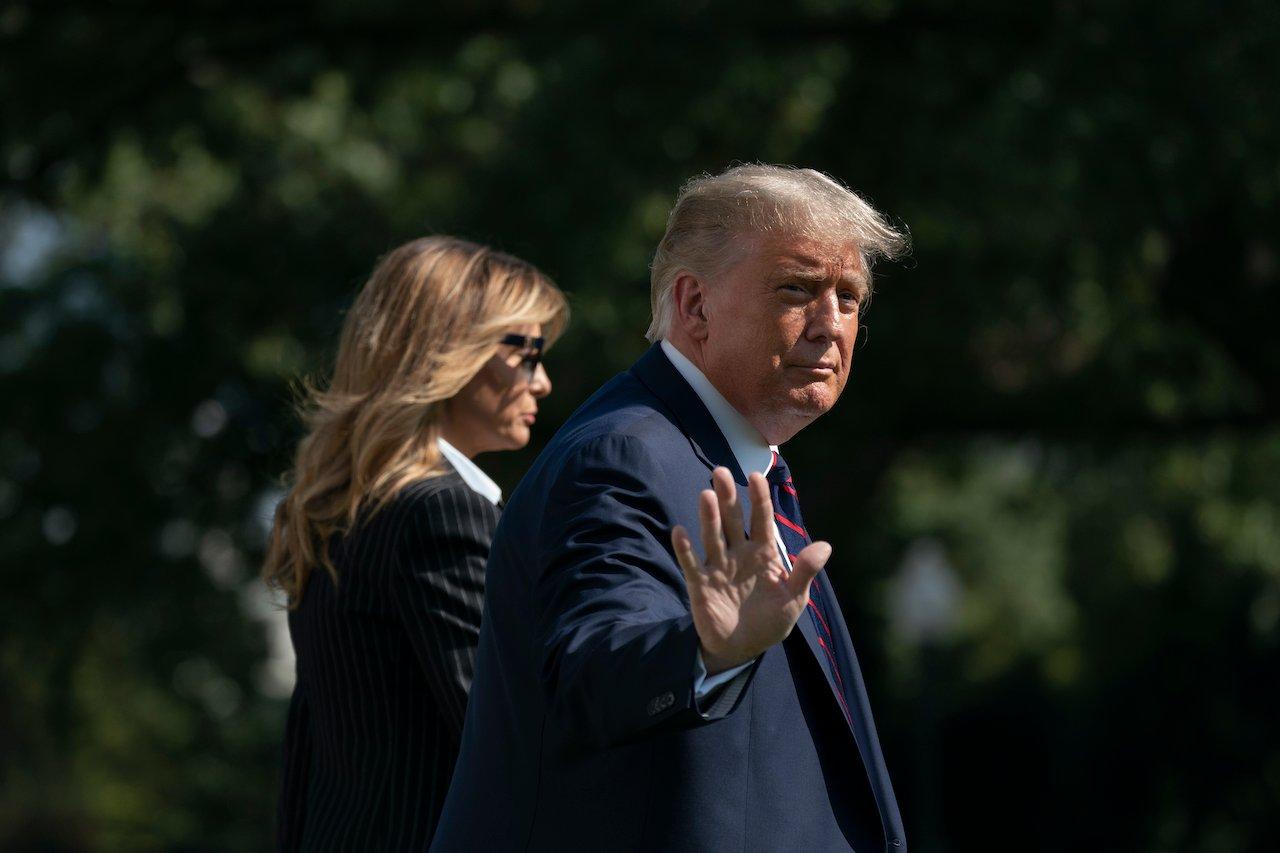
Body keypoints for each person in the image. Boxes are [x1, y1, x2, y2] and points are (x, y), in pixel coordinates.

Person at [432, 165, 909, 851]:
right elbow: (592, 668)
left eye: (850, 296)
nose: (830, 325)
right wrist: (706, 651)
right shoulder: (621, 456)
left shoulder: (740, 460)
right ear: (695, 306)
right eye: (797, 289)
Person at [262, 236, 569, 851]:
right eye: (526, 352)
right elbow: (516, 740)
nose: (544, 383)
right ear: (448, 353)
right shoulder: (442, 512)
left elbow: (308, 758)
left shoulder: (331, 513)